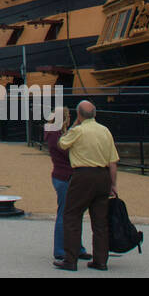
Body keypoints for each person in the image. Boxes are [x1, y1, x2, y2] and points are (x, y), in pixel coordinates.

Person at [55, 100, 119, 271]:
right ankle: (101, 261)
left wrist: (74, 125)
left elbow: (62, 144)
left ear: (79, 115)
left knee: (72, 216)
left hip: (83, 176)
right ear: (95, 114)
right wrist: (113, 184)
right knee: (100, 221)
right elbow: (113, 162)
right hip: (103, 176)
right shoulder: (105, 131)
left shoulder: (78, 130)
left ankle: (70, 260)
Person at [44, 107, 90, 263]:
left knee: (73, 213)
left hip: (63, 175)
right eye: (68, 116)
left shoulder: (54, 133)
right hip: (65, 176)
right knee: (65, 213)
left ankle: (75, 247)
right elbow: (66, 150)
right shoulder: (55, 135)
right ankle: (61, 249)